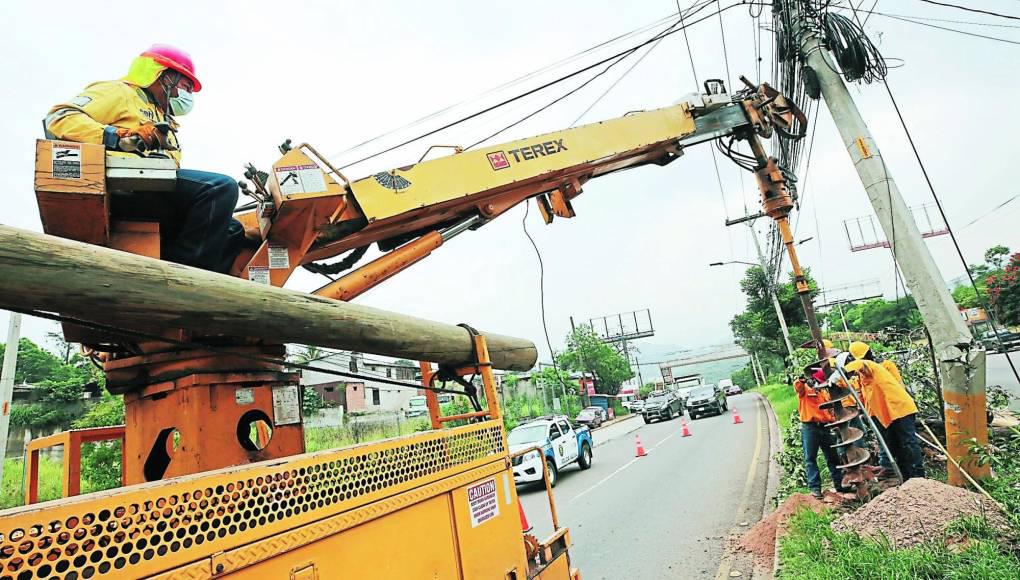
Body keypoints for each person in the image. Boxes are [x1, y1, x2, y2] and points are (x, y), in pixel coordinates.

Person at [44, 44, 246, 274]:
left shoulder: (162, 116)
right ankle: (185, 277)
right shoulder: (121, 92)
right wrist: (117, 136)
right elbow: (59, 119)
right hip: (123, 189)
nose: (187, 96)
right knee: (219, 188)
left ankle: (178, 271)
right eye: (185, 86)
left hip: (153, 191)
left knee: (232, 229)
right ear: (163, 75)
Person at [844, 354, 925, 480]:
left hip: (900, 408)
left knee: (908, 442)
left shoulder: (872, 367)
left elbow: (862, 364)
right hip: (885, 414)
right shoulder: (861, 376)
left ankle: (918, 476)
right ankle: (906, 478)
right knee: (895, 445)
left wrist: (842, 371)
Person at [794, 369, 848, 498]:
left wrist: (834, 423)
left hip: (825, 427)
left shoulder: (824, 392)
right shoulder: (805, 389)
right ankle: (815, 488)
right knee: (810, 458)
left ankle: (839, 484)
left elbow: (829, 410)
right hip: (810, 427)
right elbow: (798, 386)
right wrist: (802, 379)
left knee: (832, 457)